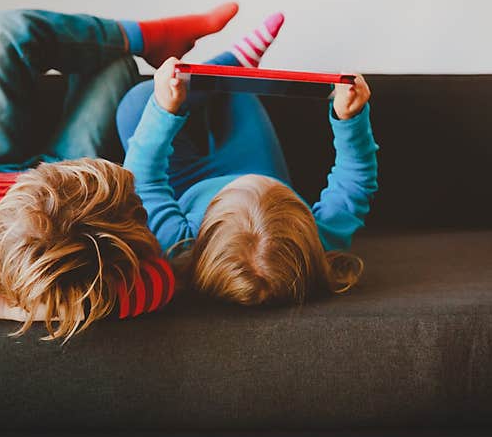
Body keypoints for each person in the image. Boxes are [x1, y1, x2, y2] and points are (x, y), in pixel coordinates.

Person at [0, 2, 244, 341]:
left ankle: (148, 36)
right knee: (117, 66)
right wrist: (37, 304)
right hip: (63, 170)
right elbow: (162, 282)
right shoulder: (78, 258)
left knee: (2, 34)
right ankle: (143, 39)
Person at [116, 16, 379, 307]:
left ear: (204, 230)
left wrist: (163, 108)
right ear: (302, 220)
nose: (238, 182)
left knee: (135, 105)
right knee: (237, 91)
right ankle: (235, 64)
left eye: (233, 190)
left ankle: (229, 63)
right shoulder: (316, 244)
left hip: (185, 182)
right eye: (266, 189)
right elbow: (356, 182)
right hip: (255, 160)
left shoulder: (178, 244)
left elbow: (144, 178)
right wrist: (350, 118)